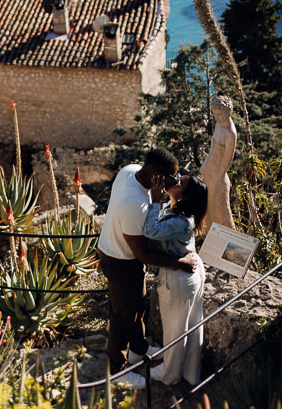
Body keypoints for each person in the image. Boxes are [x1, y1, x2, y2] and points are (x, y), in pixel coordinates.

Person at [97, 147, 198, 387]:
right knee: (122, 318)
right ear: (156, 174)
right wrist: (178, 263)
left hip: (114, 251)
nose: (175, 180)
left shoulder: (129, 171)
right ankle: (117, 372)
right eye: (172, 177)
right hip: (121, 262)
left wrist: (154, 197)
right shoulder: (136, 204)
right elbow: (141, 253)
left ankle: (138, 350)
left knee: (137, 307)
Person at [143, 173, 208, 386]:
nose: (176, 179)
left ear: (186, 197)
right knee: (191, 326)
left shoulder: (181, 221)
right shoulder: (184, 214)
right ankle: (190, 373)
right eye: (180, 176)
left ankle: (168, 374)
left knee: (174, 330)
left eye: (181, 182)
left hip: (178, 278)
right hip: (190, 273)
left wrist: (153, 200)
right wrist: (169, 198)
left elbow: (152, 230)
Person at [199, 95, 237, 232]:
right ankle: (210, 243)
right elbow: (212, 150)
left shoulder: (230, 134)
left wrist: (219, 177)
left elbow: (227, 160)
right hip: (208, 171)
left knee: (222, 212)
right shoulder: (218, 125)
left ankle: (230, 246)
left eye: (219, 114)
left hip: (218, 177)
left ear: (228, 112)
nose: (217, 117)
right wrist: (204, 168)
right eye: (215, 114)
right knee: (207, 210)